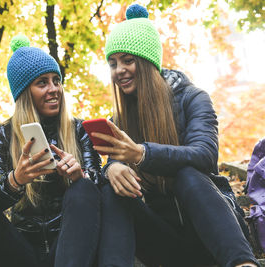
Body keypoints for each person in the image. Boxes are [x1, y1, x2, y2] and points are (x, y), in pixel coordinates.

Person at [92, 4, 259, 267]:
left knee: (188, 173)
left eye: (128, 60)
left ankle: (242, 264)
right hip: (163, 241)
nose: (119, 70)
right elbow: (111, 168)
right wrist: (111, 168)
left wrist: (142, 153)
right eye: (113, 64)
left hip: (209, 234)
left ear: (147, 62)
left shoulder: (193, 98)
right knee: (113, 189)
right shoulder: (119, 120)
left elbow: (205, 154)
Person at [0, 34, 102, 267]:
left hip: (70, 250)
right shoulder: (2, 135)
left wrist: (80, 176)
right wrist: (15, 180)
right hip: (22, 254)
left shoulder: (79, 130)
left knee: (85, 188)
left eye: (56, 80)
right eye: (42, 82)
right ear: (25, 92)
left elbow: (102, 188)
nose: (54, 89)